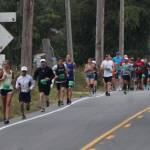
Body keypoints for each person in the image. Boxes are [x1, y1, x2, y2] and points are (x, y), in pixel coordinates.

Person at [0, 60, 14, 124]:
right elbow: (1, 79)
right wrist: (2, 78)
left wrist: (12, 82)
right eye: (4, 64)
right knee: (4, 105)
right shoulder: (2, 71)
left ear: (9, 65)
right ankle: (4, 117)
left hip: (9, 89)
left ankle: (7, 119)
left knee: (8, 103)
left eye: (6, 64)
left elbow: (13, 79)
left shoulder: (12, 72)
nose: (5, 65)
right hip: (3, 88)